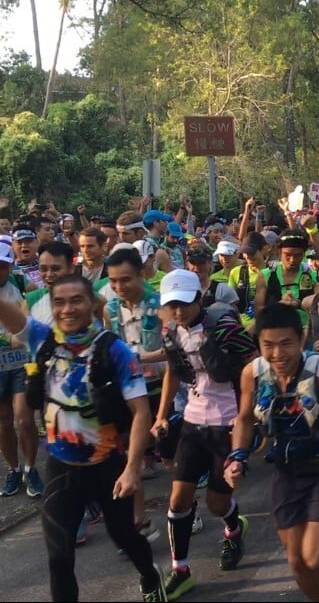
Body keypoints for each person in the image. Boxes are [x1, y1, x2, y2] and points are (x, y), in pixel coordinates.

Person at [0, 274, 167, 601]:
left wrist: (133, 468)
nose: (67, 308)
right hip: (62, 467)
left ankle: (150, 575)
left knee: (125, 537)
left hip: (109, 465)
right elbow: (9, 315)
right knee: (59, 556)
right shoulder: (43, 339)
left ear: (92, 304)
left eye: (76, 300)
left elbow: (141, 413)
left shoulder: (114, 350)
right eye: (59, 302)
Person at [228, 303, 319, 602]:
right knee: (296, 562)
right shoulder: (252, 373)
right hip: (286, 470)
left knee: (314, 557)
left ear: (302, 337)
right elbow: (244, 417)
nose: (278, 354)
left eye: (286, 344)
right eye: (268, 345)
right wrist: (237, 455)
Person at [151, 269, 258, 599]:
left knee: (216, 502)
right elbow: (172, 370)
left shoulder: (225, 328)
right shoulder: (170, 331)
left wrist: (253, 409)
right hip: (193, 422)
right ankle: (180, 569)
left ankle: (234, 527)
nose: (179, 311)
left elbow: (254, 361)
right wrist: (161, 415)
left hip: (228, 425)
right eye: (172, 305)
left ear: (199, 299)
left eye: (185, 304)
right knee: (179, 498)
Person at [104, 247, 167, 539]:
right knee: (132, 455)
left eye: (125, 279)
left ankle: (183, 505)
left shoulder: (161, 304)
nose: (119, 287)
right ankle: (138, 518)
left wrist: (141, 358)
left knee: (169, 454)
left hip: (161, 388)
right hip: (129, 392)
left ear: (141, 273)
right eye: (113, 281)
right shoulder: (111, 309)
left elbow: (176, 347)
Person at [0, 243, 40, 498]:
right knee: (3, 424)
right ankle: (13, 470)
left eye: (3, 265)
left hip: (22, 360)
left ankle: (31, 467)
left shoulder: (20, 281)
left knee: (24, 419)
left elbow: (37, 305)